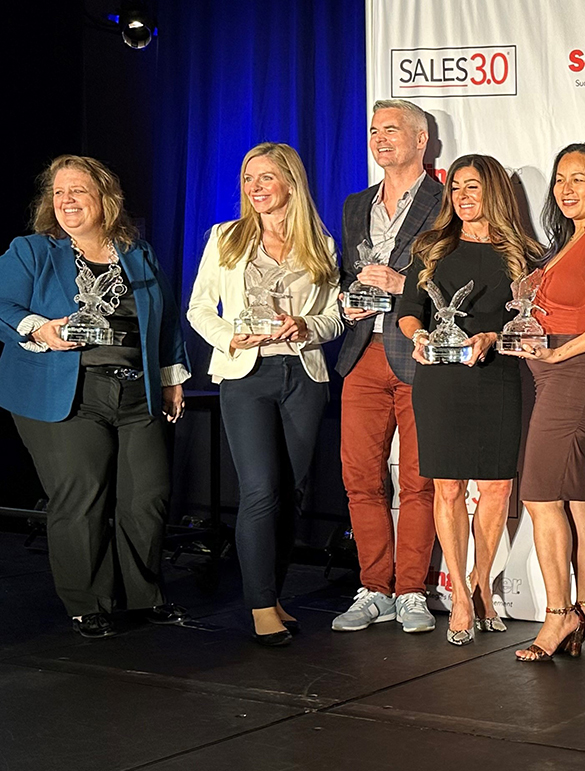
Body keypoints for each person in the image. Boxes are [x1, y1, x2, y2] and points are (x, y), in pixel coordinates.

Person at [0, 155, 190, 638]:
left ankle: (144, 594)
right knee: (82, 495)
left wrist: (170, 377)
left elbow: (165, 318)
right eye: (58, 193)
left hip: (135, 390)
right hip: (66, 392)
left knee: (147, 496)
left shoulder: (136, 252)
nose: (66, 200)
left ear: (106, 199)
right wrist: (40, 328)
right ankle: (89, 603)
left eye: (78, 190)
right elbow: (3, 304)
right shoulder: (33, 250)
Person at [187, 142, 345, 646]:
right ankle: (259, 607)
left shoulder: (320, 242)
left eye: (266, 178)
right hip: (245, 374)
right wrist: (228, 336)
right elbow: (198, 308)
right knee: (258, 490)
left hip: (303, 374)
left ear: (290, 184)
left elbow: (336, 316)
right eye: (248, 178)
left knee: (289, 493)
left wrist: (305, 325)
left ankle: (272, 595)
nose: (255, 188)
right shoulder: (226, 237)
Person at [396, 154, 538, 646]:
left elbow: (532, 321)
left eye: (472, 186)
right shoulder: (432, 247)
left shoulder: (523, 254)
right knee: (449, 489)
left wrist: (493, 337)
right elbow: (408, 309)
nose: (462, 196)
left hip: (498, 377)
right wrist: (416, 337)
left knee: (496, 489)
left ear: (493, 192)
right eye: (455, 187)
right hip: (440, 379)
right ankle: (458, 593)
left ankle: (483, 586)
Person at [506, 143, 585, 662]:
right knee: (575, 496)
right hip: (555, 376)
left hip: (574, 377)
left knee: (538, 498)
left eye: (578, 179)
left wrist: (560, 355)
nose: (566, 189)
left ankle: (559, 616)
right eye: (560, 179)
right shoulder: (570, 240)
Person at [330, 99, 445, 635]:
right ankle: (374, 587)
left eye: (391, 129)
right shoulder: (357, 204)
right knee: (360, 479)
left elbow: (464, 274)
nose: (380, 138)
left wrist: (406, 288)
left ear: (421, 140)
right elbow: (345, 273)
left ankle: (412, 591)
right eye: (374, 129)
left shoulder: (446, 202)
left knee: (420, 482)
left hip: (417, 352)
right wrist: (346, 301)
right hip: (360, 354)